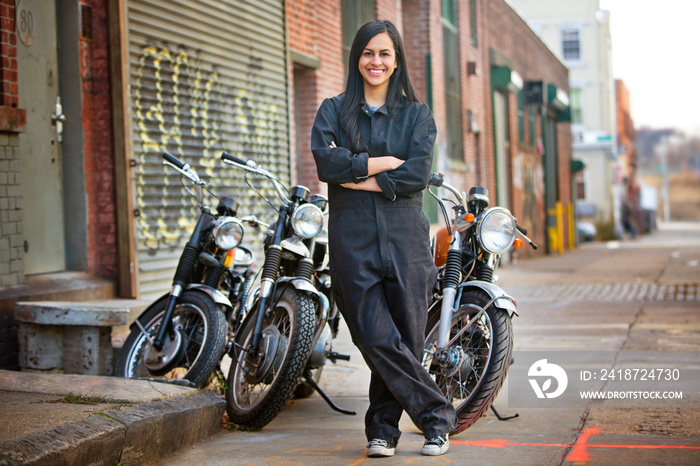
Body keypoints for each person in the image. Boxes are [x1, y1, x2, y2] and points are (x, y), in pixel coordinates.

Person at [311, 20, 456, 458]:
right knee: (375, 335)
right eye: (369, 53)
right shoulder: (333, 110)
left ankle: (383, 432)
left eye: (385, 54)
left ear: (396, 60)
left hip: (405, 234)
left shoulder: (417, 114)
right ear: (357, 57)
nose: (376, 62)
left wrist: (359, 173)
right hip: (352, 236)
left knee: (407, 337)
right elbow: (325, 163)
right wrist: (381, 162)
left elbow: (414, 175)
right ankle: (436, 415)